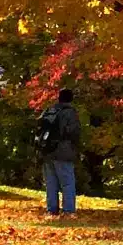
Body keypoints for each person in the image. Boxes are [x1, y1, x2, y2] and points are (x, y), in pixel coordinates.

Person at [37, 88, 80, 216]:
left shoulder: (49, 111)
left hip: (47, 152)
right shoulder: (70, 113)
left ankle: (52, 210)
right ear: (71, 99)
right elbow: (74, 133)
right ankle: (68, 211)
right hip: (63, 152)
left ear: (59, 98)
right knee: (67, 183)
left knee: (51, 183)